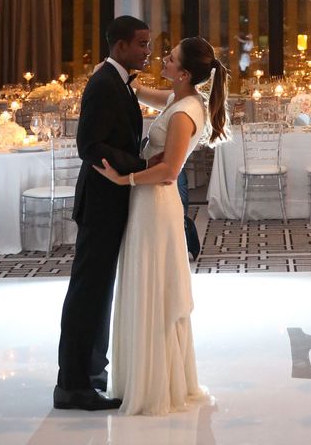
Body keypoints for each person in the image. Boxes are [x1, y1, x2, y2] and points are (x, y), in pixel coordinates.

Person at [94, 36, 229, 416]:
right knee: (145, 284)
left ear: (184, 73)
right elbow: (148, 95)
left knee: (153, 288)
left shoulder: (186, 112)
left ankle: (155, 386)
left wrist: (126, 180)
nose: (162, 61)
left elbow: (170, 171)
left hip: (155, 203)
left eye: (169, 60)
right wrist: (120, 78)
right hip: (148, 204)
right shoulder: (179, 100)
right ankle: (144, 374)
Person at [54, 15, 151, 412]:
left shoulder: (120, 83)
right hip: (100, 202)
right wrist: (142, 164)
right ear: (121, 46)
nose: (148, 51)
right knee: (88, 293)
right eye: (142, 44)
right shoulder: (104, 84)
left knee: (99, 292)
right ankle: (72, 385)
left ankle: (91, 375)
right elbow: (90, 145)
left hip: (110, 201)